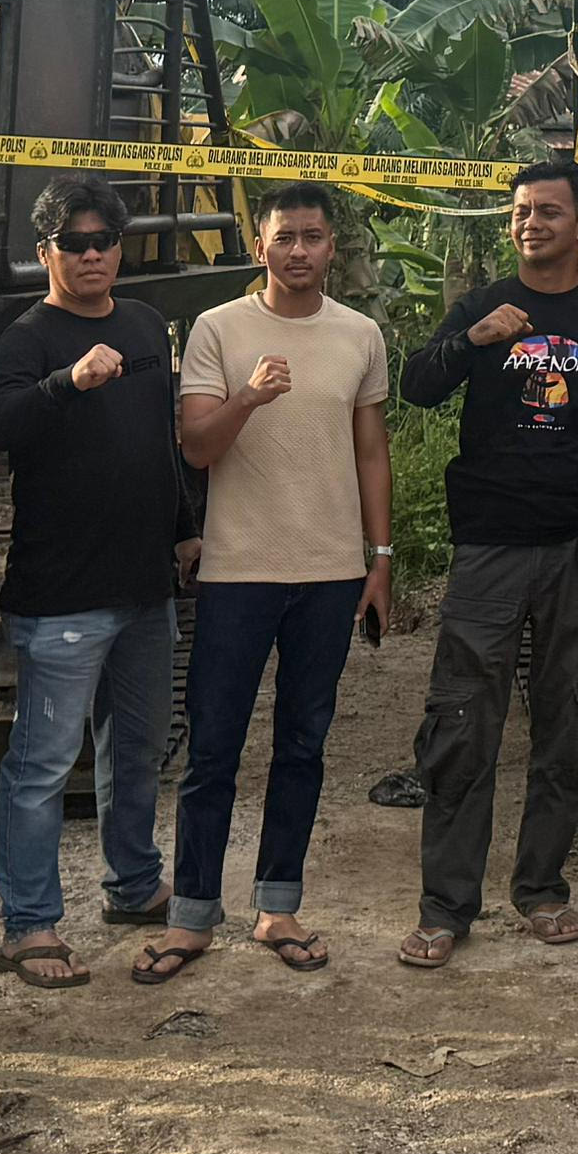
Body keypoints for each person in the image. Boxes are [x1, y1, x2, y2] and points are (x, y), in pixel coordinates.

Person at [395, 158, 578, 970]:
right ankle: (446, 906)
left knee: (569, 721)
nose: (530, 222)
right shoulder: (481, 307)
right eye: (519, 211)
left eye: (547, 210)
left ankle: (542, 889)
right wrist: (472, 339)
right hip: (491, 547)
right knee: (464, 720)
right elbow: (416, 388)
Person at [140, 181, 395, 984]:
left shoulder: (360, 335)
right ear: (259, 246)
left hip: (329, 572)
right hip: (239, 571)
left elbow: (369, 451)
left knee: (303, 746)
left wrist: (380, 558)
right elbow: (197, 448)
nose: (298, 251)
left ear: (331, 247)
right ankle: (191, 918)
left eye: (312, 237)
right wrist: (250, 394)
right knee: (213, 748)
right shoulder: (218, 329)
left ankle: (278, 906)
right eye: (283, 236)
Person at [0, 179, 198, 992]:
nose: (94, 252)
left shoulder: (142, 324)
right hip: (62, 593)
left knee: (134, 752)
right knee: (40, 764)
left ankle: (134, 887)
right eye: (75, 241)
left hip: (144, 586)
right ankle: (28, 924)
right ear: (46, 254)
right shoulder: (26, 336)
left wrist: (185, 529)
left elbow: (159, 442)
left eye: (105, 239)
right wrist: (67, 381)